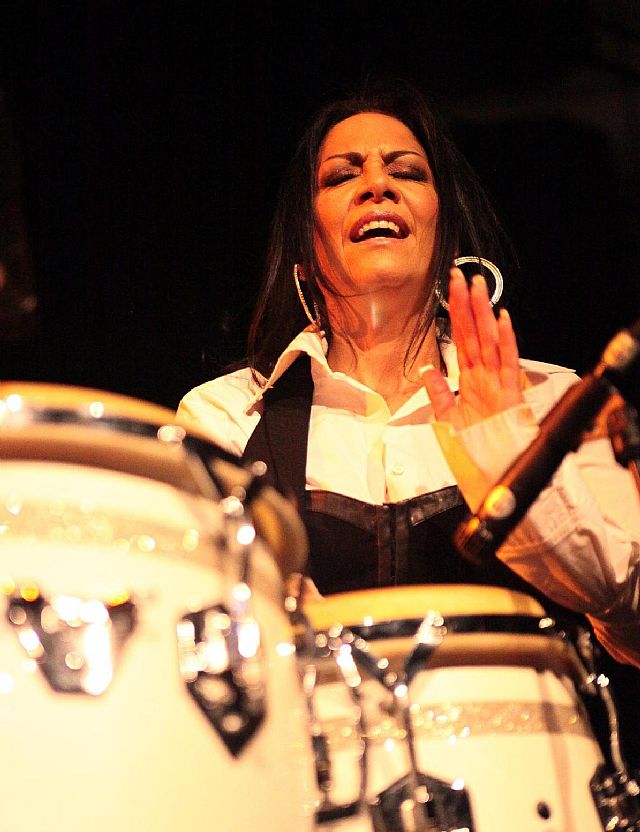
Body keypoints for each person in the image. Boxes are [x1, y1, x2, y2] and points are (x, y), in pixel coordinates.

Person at [177, 79, 640, 672]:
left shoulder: (556, 402)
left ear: (443, 230)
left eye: (408, 172)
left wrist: (519, 473)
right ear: (305, 248)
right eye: (341, 176)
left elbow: (632, 632)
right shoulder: (222, 419)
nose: (377, 185)